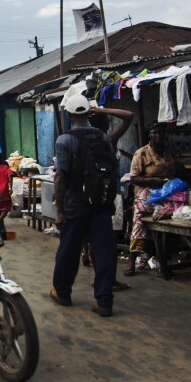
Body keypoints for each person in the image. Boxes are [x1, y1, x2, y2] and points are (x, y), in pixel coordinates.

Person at [50, 94, 118, 317]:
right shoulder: (103, 137)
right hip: (100, 203)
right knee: (105, 252)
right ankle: (104, 302)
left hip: (75, 205)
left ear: (69, 115)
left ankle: (62, 292)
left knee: (68, 250)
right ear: (88, 113)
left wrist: (59, 210)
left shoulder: (64, 140)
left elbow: (61, 176)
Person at [85, 105, 135, 292]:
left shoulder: (86, 139)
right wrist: (102, 110)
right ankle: (110, 280)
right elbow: (128, 115)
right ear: (106, 123)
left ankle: (99, 277)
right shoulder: (108, 138)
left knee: (93, 239)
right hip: (110, 193)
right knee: (109, 241)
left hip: (91, 193)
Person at [125, 122, 177, 276]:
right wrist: (154, 181)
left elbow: (174, 171)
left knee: (170, 223)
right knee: (139, 224)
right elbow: (134, 178)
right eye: (155, 133)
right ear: (150, 135)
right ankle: (131, 260)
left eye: (161, 133)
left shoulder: (168, 153)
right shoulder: (141, 153)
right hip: (146, 195)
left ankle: (162, 261)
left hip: (165, 193)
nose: (158, 136)